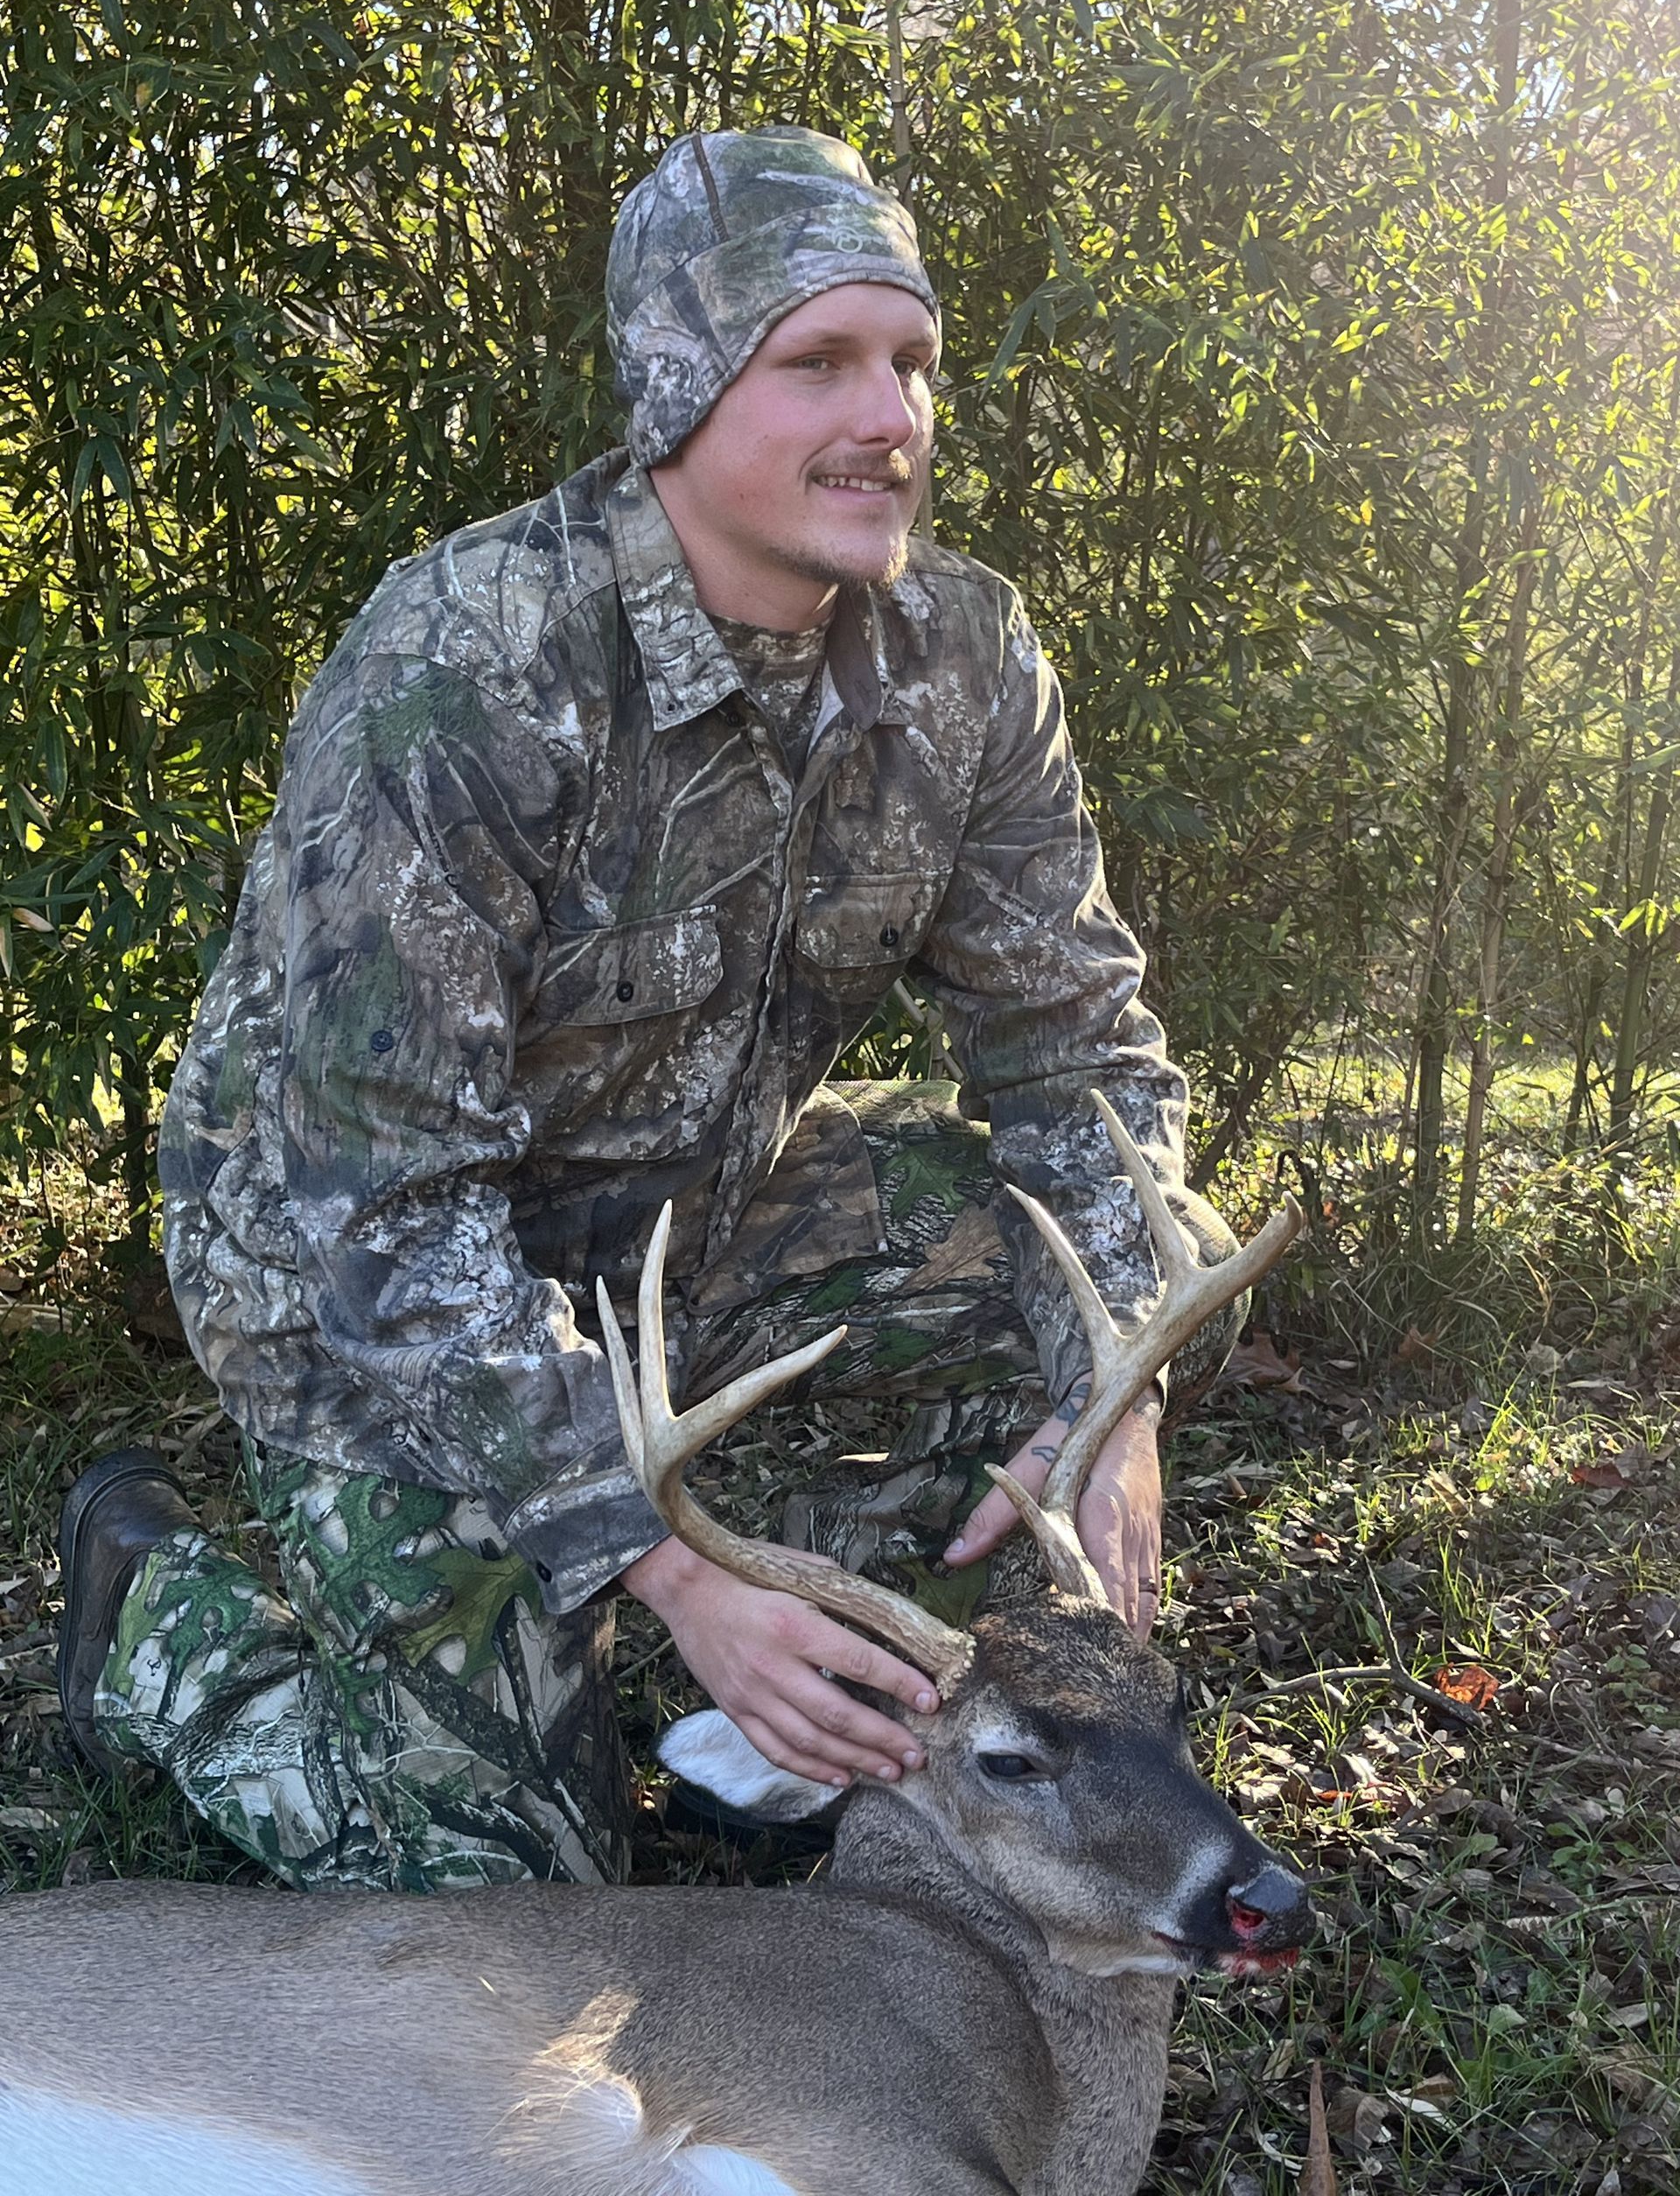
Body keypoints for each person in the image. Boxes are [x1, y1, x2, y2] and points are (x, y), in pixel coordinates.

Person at [55, 127, 1241, 1891]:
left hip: (680, 1242)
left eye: (911, 361)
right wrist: (664, 1566)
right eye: (818, 361)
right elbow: (382, 1205)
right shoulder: (464, 669)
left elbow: (1079, 1055)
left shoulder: (967, 661)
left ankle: (864, 1711)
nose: (892, 417)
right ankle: (160, 1617)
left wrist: (1113, 1402)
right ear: (682, 387)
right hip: (355, 1300)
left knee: (1030, 1243)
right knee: (521, 1905)